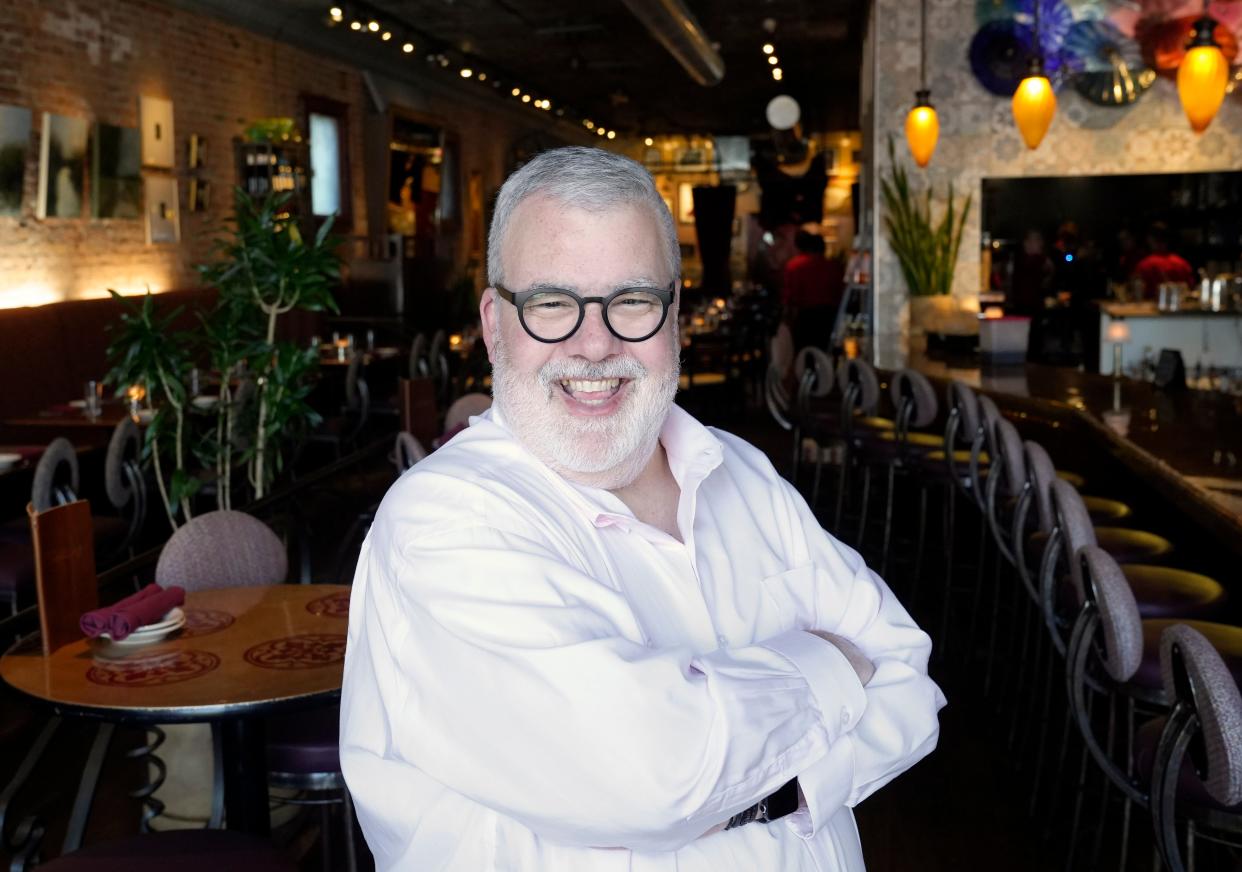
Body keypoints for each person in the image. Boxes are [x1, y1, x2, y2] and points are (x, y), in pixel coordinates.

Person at [341, 147, 945, 871]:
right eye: (551, 304)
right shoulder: (442, 521)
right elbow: (655, 777)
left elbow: (909, 675)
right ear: (495, 325)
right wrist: (829, 659)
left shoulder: (739, 471)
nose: (594, 343)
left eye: (632, 301)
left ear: (674, 318)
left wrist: (770, 790)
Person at [782, 229, 845, 350]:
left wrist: (787, 319)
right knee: (825, 351)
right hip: (829, 316)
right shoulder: (834, 266)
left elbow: (790, 296)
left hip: (805, 317)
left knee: (804, 353)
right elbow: (840, 293)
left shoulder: (795, 265)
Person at [1134, 221, 1193, 299]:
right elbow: (1190, 288)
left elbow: (1139, 293)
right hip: (1180, 307)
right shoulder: (1182, 263)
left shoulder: (1145, 265)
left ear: (1150, 239)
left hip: (1152, 308)